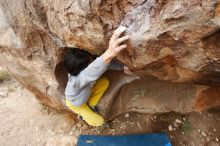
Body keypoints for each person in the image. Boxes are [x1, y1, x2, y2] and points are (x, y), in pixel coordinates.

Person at [64, 26, 131, 126]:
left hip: (85, 93)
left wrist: (122, 67)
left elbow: (100, 66)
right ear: (83, 69)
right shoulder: (75, 82)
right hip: (77, 104)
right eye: (89, 62)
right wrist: (109, 53)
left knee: (104, 82)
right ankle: (84, 116)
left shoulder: (76, 70)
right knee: (99, 121)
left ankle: (91, 104)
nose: (92, 61)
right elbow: (95, 67)